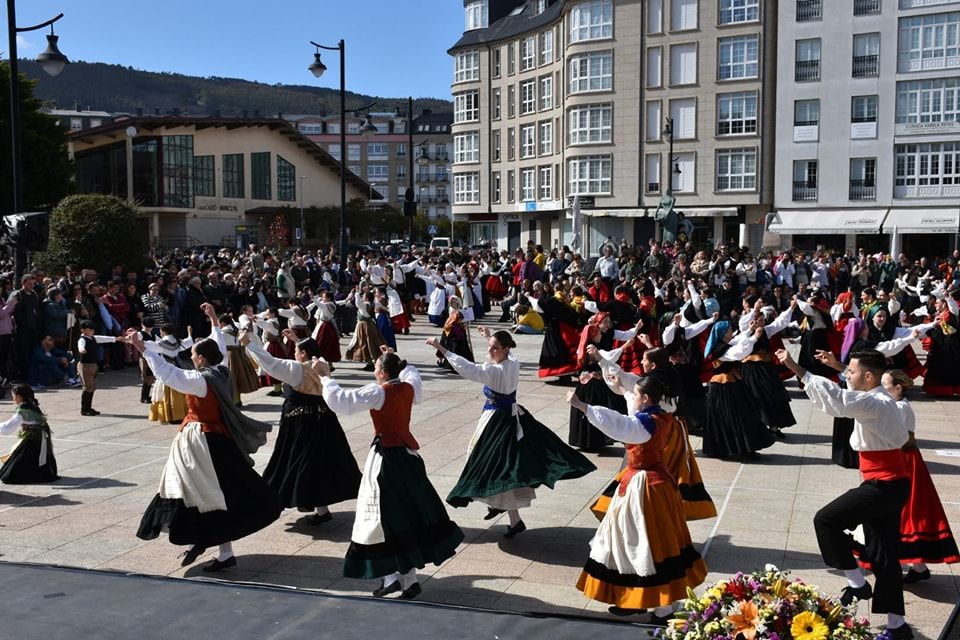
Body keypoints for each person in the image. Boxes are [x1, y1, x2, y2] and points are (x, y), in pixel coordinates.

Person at [129, 303, 281, 572]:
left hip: (200, 443)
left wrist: (143, 349)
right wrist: (212, 319)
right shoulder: (220, 370)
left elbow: (168, 373)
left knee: (196, 492)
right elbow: (219, 346)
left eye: (195, 354)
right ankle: (222, 550)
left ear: (200, 359)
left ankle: (211, 543)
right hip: (218, 440)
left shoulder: (198, 380)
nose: (193, 356)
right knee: (219, 494)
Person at [776, 348, 914, 640]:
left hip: (885, 484)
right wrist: (838, 367)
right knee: (885, 555)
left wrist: (797, 368)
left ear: (867, 376)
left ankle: (856, 582)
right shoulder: (879, 399)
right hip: (889, 482)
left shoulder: (875, 402)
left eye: (851, 372)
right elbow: (849, 391)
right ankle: (897, 625)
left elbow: (838, 401)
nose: (846, 376)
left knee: (826, 520)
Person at [319, 348, 464, 599]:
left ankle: (400, 579)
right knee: (404, 516)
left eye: (376, 368)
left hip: (386, 462)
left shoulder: (379, 392)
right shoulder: (408, 387)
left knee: (384, 517)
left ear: (383, 373)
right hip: (407, 457)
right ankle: (402, 579)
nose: (374, 372)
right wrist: (395, 357)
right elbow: (412, 373)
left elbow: (341, 402)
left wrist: (325, 376)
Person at [431, 328, 596, 536]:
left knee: (487, 463)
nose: (490, 351)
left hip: (497, 422)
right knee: (503, 468)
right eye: (490, 347)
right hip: (511, 416)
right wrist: (488, 335)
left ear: (505, 349)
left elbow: (468, 369)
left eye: (495, 348)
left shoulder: (494, 371)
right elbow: (501, 357)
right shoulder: (512, 363)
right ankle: (511, 516)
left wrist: (442, 349)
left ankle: (502, 508)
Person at [566, 376, 707, 618]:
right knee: (639, 542)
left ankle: (662, 608)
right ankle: (633, 598)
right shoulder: (663, 414)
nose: (635, 396)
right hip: (657, 485)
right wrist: (622, 389)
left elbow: (618, 423)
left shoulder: (643, 426)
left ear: (646, 398)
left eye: (638, 394)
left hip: (644, 489)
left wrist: (581, 405)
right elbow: (632, 408)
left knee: (646, 545)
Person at [243, 329, 362, 526]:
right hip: (325, 421)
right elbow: (312, 354)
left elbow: (270, 362)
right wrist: (298, 340)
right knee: (320, 464)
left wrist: (249, 344)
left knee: (294, 463)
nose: (294, 354)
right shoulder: (321, 365)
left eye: (297, 350)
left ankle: (280, 501)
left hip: (301, 425)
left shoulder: (295, 369)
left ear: (303, 354)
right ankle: (321, 510)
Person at [862, 370, 958, 582]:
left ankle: (908, 563)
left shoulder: (899, 407)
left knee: (907, 511)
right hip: (902, 459)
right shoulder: (895, 404)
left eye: (885, 384)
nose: (881, 388)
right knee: (905, 511)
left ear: (898, 388)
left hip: (904, 462)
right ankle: (917, 567)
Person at [701, 320, 776, 459]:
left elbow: (737, 341)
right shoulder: (719, 349)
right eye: (729, 330)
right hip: (723, 388)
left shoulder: (724, 345)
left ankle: (745, 448)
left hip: (731, 384)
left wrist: (749, 330)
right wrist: (754, 337)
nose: (731, 332)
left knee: (743, 415)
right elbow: (738, 352)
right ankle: (740, 449)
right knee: (736, 418)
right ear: (723, 333)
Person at [0, 384, 58, 484]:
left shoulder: (23, 411)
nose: (13, 398)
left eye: (14, 396)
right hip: (39, 437)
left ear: (19, 397)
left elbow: (8, 427)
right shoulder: (33, 405)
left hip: (32, 439)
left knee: (11, 474)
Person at [77, 321, 118, 416]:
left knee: (92, 387)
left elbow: (104, 338)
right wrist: (81, 350)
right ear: (83, 330)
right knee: (87, 387)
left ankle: (89, 407)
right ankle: (84, 409)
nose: (91, 331)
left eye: (92, 329)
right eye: (89, 329)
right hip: (85, 366)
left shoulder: (93, 338)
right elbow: (80, 346)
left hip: (93, 365)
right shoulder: (82, 339)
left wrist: (116, 339)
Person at [436, 295, 474, 371]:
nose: (452, 304)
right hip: (448, 331)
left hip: (460, 331)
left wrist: (464, 324)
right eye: (451, 302)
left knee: (461, 347)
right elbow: (442, 318)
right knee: (444, 345)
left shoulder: (461, 310)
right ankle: (442, 360)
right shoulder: (447, 310)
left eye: (453, 302)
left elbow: (465, 319)